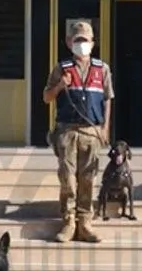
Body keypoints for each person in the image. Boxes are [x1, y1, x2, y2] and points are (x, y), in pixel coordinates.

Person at [42, 20, 114, 244]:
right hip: (67, 130)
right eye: (77, 40)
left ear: (92, 42)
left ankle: (85, 222)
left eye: (85, 40)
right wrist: (60, 85)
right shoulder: (61, 68)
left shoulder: (102, 69)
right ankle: (69, 221)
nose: (81, 44)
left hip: (91, 131)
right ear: (68, 42)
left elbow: (107, 99)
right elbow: (46, 97)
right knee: (68, 178)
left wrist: (105, 128)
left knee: (88, 178)